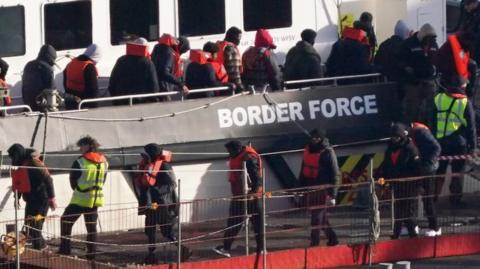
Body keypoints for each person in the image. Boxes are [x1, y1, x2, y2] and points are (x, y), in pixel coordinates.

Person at [134, 143, 190, 264]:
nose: (143, 157)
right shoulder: (148, 165)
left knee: (166, 230)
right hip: (150, 204)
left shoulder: (164, 166)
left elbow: (172, 184)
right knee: (150, 228)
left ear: (152, 154)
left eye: (146, 154)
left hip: (161, 204)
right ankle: (151, 254)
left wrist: (155, 190)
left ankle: (183, 249)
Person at [59, 136, 108, 260]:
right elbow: (103, 180)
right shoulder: (104, 162)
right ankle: (91, 254)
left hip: (80, 199)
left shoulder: (80, 162)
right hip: (96, 199)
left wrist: (79, 189)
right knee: (91, 227)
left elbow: (73, 180)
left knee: (65, 221)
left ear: (87, 146)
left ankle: (65, 249)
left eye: (81, 146)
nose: (80, 148)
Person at [213, 140, 264, 257]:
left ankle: (260, 249)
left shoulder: (249, 159)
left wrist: (253, 192)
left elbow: (256, 178)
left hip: (249, 197)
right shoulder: (238, 156)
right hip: (240, 195)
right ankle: (226, 246)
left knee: (249, 222)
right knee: (236, 221)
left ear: (236, 149)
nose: (228, 153)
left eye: (230, 150)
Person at [433, 75, 476, 207]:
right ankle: (455, 200)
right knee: (458, 173)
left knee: (439, 173)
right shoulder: (464, 102)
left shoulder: (438, 98)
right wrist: (473, 147)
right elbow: (471, 127)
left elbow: (430, 119)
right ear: (463, 86)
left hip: (439, 143)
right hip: (458, 144)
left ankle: (432, 199)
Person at [8, 144, 56, 250]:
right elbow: (19, 182)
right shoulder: (20, 164)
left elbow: (48, 179)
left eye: (13, 157)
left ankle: (42, 249)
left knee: (36, 228)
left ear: (18, 155)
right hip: (31, 200)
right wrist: (17, 198)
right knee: (29, 226)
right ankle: (39, 248)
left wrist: (52, 198)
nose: (12, 159)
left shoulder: (33, 163)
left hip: (42, 200)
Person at [298, 129, 339, 247]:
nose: (315, 139)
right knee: (322, 218)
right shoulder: (307, 150)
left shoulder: (328, 152)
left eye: (317, 137)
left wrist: (333, 195)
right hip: (311, 188)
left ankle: (314, 243)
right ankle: (333, 238)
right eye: (313, 137)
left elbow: (336, 173)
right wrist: (299, 189)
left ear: (321, 138)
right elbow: (303, 170)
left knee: (316, 218)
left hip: (324, 190)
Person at [383, 123, 420, 239]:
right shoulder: (390, 149)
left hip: (409, 185)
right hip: (397, 184)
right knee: (398, 211)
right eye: (393, 137)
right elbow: (387, 166)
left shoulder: (410, 149)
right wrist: (384, 180)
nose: (394, 139)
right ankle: (396, 234)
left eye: (396, 137)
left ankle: (413, 235)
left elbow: (417, 169)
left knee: (409, 212)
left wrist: (418, 185)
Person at [397, 23, 439, 123]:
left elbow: (438, 58)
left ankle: (428, 128)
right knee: (412, 108)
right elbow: (399, 59)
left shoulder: (433, 44)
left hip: (429, 81)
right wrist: (406, 68)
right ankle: (409, 130)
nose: (428, 43)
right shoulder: (408, 44)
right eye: (427, 40)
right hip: (413, 82)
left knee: (430, 107)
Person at [409, 122, 441, 236]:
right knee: (411, 198)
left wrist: (427, 164)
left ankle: (435, 227)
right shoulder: (413, 133)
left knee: (428, 199)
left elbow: (437, 147)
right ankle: (411, 225)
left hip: (428, 169)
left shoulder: (421, 132)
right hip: (419, 168)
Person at [108, 38, 159, 104]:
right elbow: (154, 85)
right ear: (146, 48)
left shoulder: (121, 60)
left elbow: (112, 81)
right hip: (141, 102)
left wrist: (115, 99)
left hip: (121, 100)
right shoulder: (148, 63)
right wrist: (154, 100)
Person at [434, 31, 478, 99]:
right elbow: (449, 65)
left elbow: (462, 62)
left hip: (455, 74)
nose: (471, 47)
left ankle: (468, 93)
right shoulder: (453, 46)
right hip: (448, 74)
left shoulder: (461, 45)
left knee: (473, 66)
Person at [63, 44, 106, 109]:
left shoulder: (71, 63)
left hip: (70, 103)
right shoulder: (89, 67)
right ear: (95, 57)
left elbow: (65, 82)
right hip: (83, 105)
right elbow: (93, 91)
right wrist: (95, 108)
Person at [22, 44, 57, 111]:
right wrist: (71, 97)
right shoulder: (47, 69)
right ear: (51, 58)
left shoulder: (29, 65)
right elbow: (52, 91)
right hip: (42, 108)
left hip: (28, 106)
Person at [216, 27, 245, 92]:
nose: (239, 40)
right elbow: (234, 72)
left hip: (220, 82)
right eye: (239, 37)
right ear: (234, 37)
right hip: (230, 86)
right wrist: (240, 87)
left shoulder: (219, 46)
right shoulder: (231, 49)